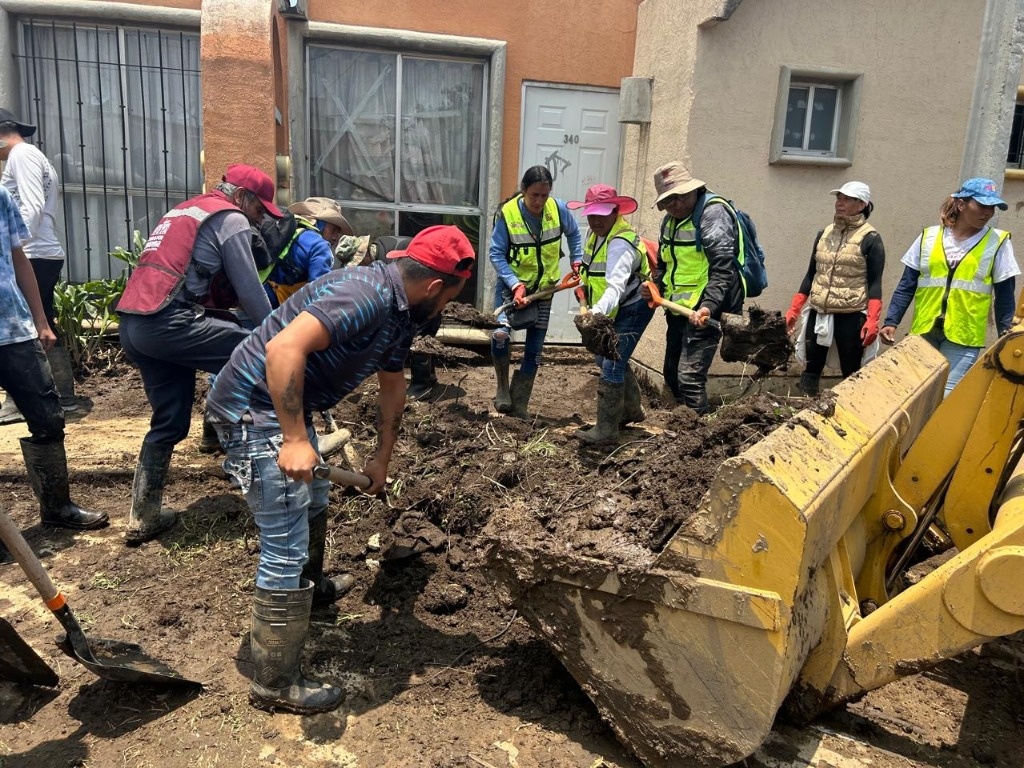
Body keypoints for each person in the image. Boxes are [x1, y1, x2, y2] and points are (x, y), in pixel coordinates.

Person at [205, 225, 474, 714]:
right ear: (435, 288)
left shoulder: (400, 314)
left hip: (290, 405)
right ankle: (274, 683)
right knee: (284, 541)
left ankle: (313, 590)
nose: (445, 311)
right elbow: (283, 349)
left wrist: (381, 460)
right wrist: (292, 439)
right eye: (449, 302)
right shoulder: (364, 293)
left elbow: (393, 386)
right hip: (253, 407)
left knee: (315, 499)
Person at [116, 164, 279, 546]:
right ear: (242, 197)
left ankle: (144, 516)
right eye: (259, 211)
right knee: (259, 354)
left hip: (136, 325)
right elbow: (251, 291)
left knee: (170, 422)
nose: (258, 220)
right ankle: (272, 478)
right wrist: (280, 334)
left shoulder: (186, 210)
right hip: (169, 323)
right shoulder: (230, 218)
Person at [0, 185, 106, 563]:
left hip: (13, 329)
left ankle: (57, 508)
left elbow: (19, 259)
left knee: (47, 417)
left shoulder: (0, 195)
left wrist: (41, 320)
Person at [880, 177, 1019, 396]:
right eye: (982, 205)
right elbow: (907, 283)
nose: (988, 212)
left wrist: (1005, 333)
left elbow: (1004, 294)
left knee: (945, 397)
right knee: (913, 394)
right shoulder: (929, 236)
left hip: (963, 336)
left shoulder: (998, 242)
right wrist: (892, 320)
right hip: (925, 330)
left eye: (992, 207)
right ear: (962, 204)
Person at [642, 161, 744, 413]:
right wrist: (656, 289)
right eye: (668, 200)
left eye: (680, 197)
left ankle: (699, 430)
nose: (674, 205)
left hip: (706, 310)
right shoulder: (669, 222)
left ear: (694, 190)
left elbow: (723, 268)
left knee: (690, 379)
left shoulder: (712, 214)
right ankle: (683, 421)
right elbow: (665, 264)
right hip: (678, 309)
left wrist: (709, 307)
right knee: (671, 374)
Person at [0, 108, 78, 423]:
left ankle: (20, 401)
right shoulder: (30, 156)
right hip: (40, 251)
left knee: (24, 327)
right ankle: (64, 396)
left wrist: (11, 251)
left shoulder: (21, 156)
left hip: (33, 252)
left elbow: (30, 207)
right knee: (42, 322)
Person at [489, 165, 583, 417]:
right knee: (500, 335)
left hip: (544, 290)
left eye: (544, 195)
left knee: (535, 349)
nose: (539, 201)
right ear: (523, 191)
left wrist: (577, 260)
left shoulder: (558, 209)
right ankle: (502, 390)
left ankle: (520, 404)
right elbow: (496, 253)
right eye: (534, 195)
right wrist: (515, 283)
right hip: (512, 288)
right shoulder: (507, 214)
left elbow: (574, 234)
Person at [568, 184, 654, 444]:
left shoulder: (620, 243)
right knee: (603, 359)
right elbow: (592, 271)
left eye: (602, 214)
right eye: (591, 214)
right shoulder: (596, 237)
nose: (595, 220)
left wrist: (593, 313)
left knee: (612, 363)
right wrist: (583, 286)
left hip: (634, 307)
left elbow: (615, 287)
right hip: (616, 307)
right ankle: (630, 410)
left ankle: (606, 430)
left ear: (615, 211)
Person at [784, 182, 886, 395]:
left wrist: (873, 319)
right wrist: (795, 309)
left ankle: (852, 409)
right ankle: (805, 408)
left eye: (846, 199)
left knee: (851, 370)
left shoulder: (870, 238)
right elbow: (811, 274)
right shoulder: (825, 233)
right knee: (811, 367)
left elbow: (875, 282)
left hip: (850, 314)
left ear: (861, 204)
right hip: (819, 309)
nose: (840, 203)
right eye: (838, 198)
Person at [259, 196, 354, 309]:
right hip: (270, 309)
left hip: (250, 297)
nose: (335, 238)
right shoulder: (320, 246)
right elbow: (319, 294)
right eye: (333, 230)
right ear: (320, 223)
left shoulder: (287, 231)